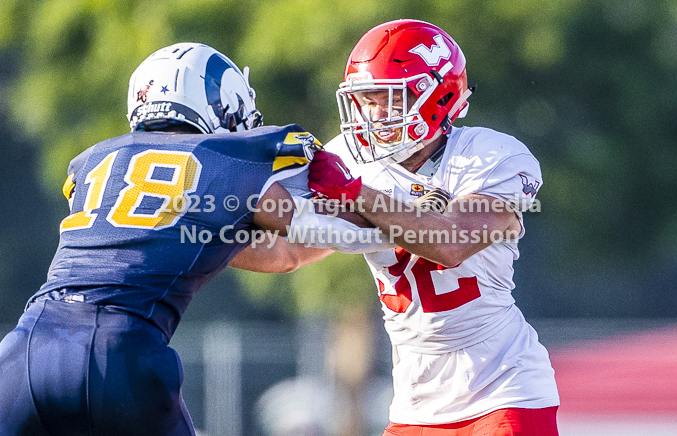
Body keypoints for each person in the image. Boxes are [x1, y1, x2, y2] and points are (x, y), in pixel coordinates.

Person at [0, 42, 357, 435]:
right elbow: (293, 244)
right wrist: (391, 229)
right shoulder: (222, 159)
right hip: (116, 351)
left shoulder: (94, 161)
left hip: (26, 344)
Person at [303, 19, 560, 435]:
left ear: (438, 96)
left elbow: (451, 241)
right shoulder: (347, 161)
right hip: (415, 406)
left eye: (390, 99)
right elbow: (287, 252)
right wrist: (203, 222)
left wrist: (353, 192)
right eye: (367, 100)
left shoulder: (488, 156)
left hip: (502, 389)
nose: (375, 114)